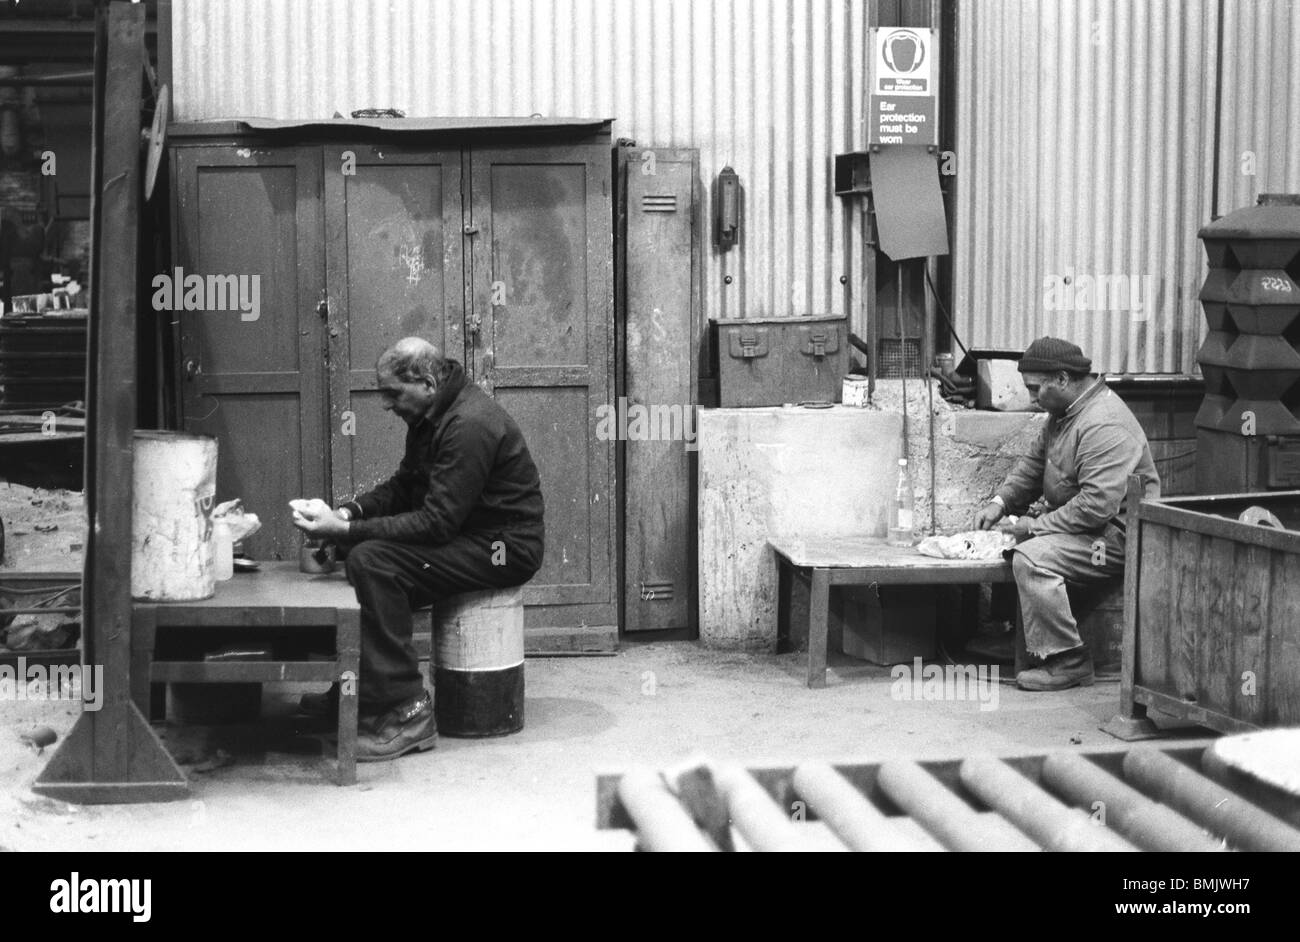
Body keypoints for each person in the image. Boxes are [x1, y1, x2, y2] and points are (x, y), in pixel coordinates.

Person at [291, 337, 545, 760]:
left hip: (504, 545)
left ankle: (407, 710)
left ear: (426, 382)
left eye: (393, 393)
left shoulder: (468, 424)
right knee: (364, 556)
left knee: (374, 563)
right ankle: (365, 694)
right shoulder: (432, 415)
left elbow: (436, 522)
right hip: (468, 533)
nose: (386, 405)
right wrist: (346, 514)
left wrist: (346, 533)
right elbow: (405, 486)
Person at [975, 337, 1159, 691]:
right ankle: (1022, 637)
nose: (1030, 398)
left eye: (1035, 388)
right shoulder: (1064, 413)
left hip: (1117, 536)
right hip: (1087, 527)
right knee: (1010, 541)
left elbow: (1096, 507)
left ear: (1061, 379)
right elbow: (1032, 466)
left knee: (1033, 559)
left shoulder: (1104, 424)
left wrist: (1036, 526)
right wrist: (999, 504)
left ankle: (1068, 660)